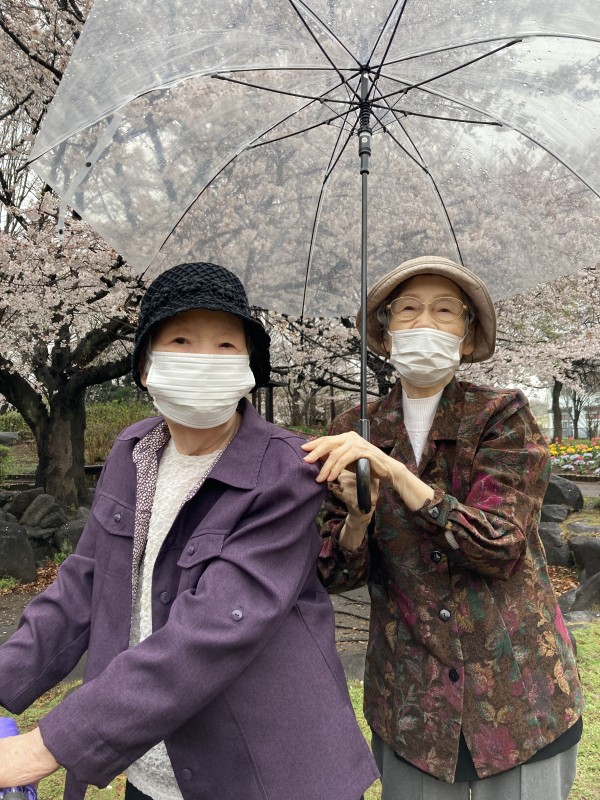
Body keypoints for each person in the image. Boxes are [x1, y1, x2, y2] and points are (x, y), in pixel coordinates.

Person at [0, 262, 379, 800]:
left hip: (264, 774)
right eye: (181, 340)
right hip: (152, 767)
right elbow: (81, 587)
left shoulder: (285, 472)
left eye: (226, 345)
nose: (204, 359)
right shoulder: (132, 453)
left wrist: (44, 748)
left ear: (249, 367)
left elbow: (216, 627)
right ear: (145, 366)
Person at [302, 256, 583, 800]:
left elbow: (499, 546)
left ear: (468, 334)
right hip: (412, 703)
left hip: (518, 696)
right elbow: (335, 573)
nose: (425, 322)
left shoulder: (502, 416)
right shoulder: (353, 431)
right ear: (385, 332)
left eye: (444, 311)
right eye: (407, 309)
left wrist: (395, 473)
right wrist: (358, 518)